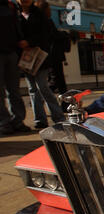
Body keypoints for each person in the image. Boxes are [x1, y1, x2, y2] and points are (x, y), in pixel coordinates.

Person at [17, 0, 65, 129]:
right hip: (25, 58)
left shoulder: (39, 14)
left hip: (40, 57)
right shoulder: (15, 14)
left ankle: (58, 116)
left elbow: (45, 35)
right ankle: (40, 119)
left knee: (42, 86)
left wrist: (29, 42)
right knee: (32, 89)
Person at [0, 0, 31, 135]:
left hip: (12, 52)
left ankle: (18, 120)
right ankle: (4, 122)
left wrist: (21, 39)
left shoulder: (12, 6)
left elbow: (17, 26)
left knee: (14, 90)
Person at [36, 0, 69, 111]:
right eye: (48, 9)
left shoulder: (42, 22)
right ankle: (63, 105)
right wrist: (64, 34)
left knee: (53, 82)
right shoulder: (47, 22)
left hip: (51, 56)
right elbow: (55, 36)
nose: (50, 11)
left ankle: (41, 102)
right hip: (54, 57)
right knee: (57, 82)